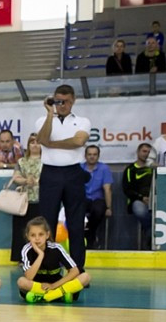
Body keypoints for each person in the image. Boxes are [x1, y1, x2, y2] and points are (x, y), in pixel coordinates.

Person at [35, 84, 90, 272]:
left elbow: (79, 141)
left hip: (74, 173)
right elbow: (42, 138)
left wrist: (52, 144)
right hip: (50, 173)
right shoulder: (43, 119)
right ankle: (47, 267)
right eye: (58, 101)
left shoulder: (82, 121)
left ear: (73, 100)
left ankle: (77, 269)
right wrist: (50, 114)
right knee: (46, 222)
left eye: (66, 102)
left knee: (76, 223)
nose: (62, 105)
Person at [17, 216, 90, 304]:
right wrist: (41, 255)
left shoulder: (56, 248)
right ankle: (61, 295)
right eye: (33, 235)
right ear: (27, 236)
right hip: (38, 286)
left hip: (57, 284)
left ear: (47, 235)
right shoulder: (26, 249)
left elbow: (75, 271)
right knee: (21, 282)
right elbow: (29, 277)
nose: (37, 238)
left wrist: (53, 286)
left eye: (41, 234)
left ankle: (46, 296)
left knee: (85, 277)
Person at [10, 133, 42, 262]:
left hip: (40, 199)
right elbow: (16, 177)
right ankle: (21, 257)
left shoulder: (46, 162)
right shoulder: (21, 161)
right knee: (21, 230)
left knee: (38, 230)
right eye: (32, 142)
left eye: (37, 142)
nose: (35, 145)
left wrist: (38, 181)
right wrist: (25, 181)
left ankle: (39, 256)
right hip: (23, 201)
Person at [122, 142, 155, 248]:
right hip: (138, 201)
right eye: (144, 151)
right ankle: (150, 232)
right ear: (138, 152)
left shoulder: (155, 168)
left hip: (156, 200)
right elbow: (127, 189)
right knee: (140, 210)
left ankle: (149, 234)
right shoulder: (130, 169)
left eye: (149, 152)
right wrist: (141, 198)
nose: (146, 154)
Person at [82, 145, 113, 250]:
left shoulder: (104, 168)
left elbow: (107, 189)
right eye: (89, 154)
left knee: (98, 209)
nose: (92, 157)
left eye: (94, 154)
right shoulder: (79, 168)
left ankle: (90, 234)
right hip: (83, 199)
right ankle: (86, 236)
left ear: (98, 156)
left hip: (97, 199)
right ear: (85, 156)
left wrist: (109, 208)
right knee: (77, 210)